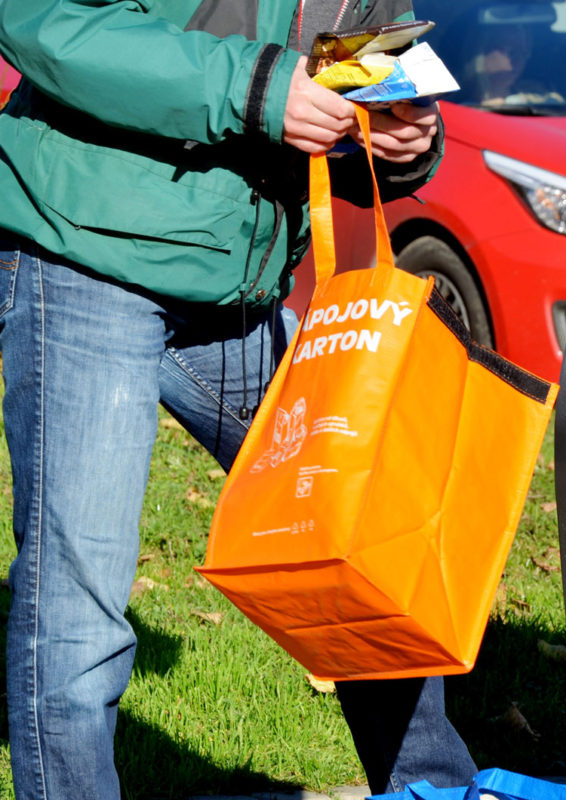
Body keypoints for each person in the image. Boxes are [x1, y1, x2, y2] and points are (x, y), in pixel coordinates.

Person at [0, 1, 478, 798]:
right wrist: (258, 88)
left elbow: (350, 74)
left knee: (367, 545)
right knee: (78, 620)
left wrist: (395, 138)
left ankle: (433, 785)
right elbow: (41, 18)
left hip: (238, 292)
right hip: (87, 257)